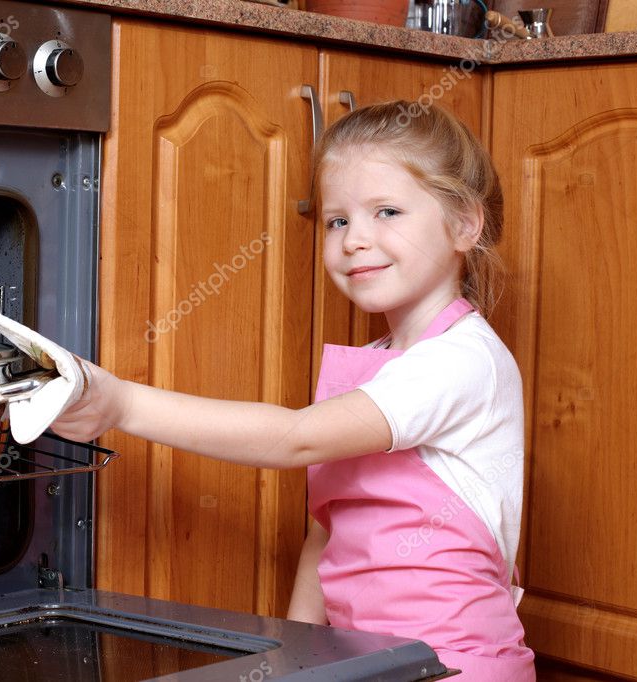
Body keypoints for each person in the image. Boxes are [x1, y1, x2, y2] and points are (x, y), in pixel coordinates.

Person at [51, 101, 536, 680]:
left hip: (453, 667)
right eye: (338, 221)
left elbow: (293, 438)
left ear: (464, 225)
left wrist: (122, 403)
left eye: (386, 211)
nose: (356, 239)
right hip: (372, 664)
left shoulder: (463, 362)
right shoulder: (380, 365)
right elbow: (328, 532)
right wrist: (292, 662)